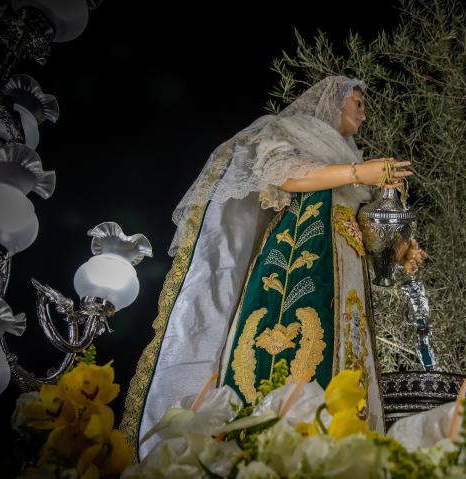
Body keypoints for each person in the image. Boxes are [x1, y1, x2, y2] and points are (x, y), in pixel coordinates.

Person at [120, 76, 425, 457]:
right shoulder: (290, 129)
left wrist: (398, 249)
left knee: (348, 355)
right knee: (294, 348)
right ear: (331, 100)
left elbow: (364, 222)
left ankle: (341, 451)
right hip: (301, 253)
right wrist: (357, 173)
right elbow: (285, 174)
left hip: (348, 270)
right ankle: (271, 444)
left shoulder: (352, 155)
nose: (363, 113)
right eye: (358, 102)